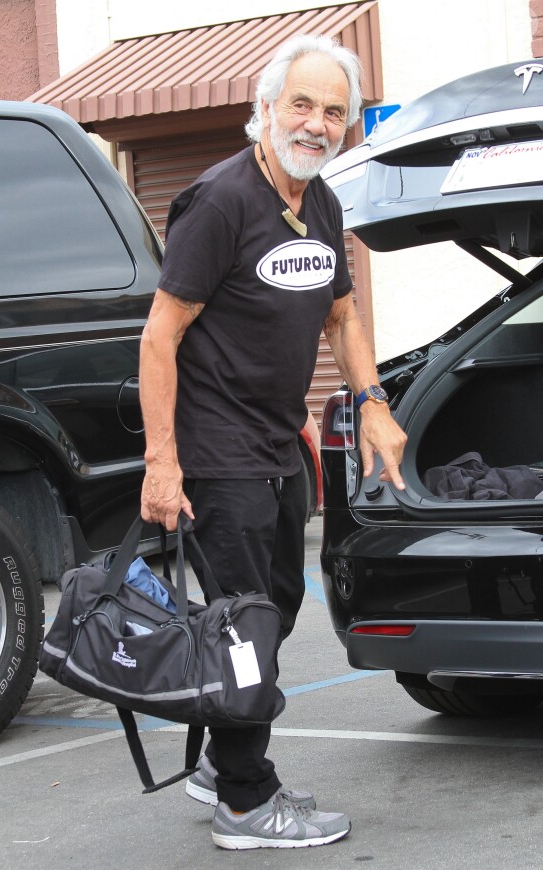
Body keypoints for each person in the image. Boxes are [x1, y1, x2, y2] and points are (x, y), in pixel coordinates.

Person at [139, 33, 407, 850]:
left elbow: (341, 312)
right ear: (264, 107)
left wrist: (369, 400)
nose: (317, 123)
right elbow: (159, 337)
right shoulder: (221, 202)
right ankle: (247, 803)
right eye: (302, 103)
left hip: (276, 442)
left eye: (334, 111)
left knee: (278, 608)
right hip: (216, 452)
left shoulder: (319, 200)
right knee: (242, 626)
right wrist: (162, 461)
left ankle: (224, 757)